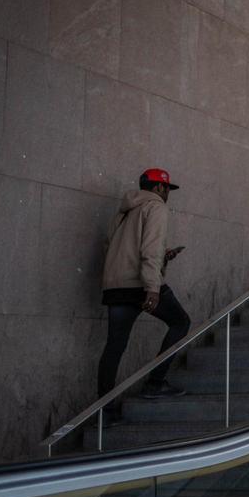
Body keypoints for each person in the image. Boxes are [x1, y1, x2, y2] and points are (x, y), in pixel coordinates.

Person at [96, 168, 191, 425]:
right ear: (159, 188)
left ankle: (104, 413)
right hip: (141, 284)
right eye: (167, 189)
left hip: (116, 286)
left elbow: (112, 247)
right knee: (181, 322)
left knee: (114, 347)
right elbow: (149, 249)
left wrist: (163, 256)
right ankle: (156, 382)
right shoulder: (156, 207)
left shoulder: (124, 211)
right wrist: (152, 287)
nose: (167, 195)